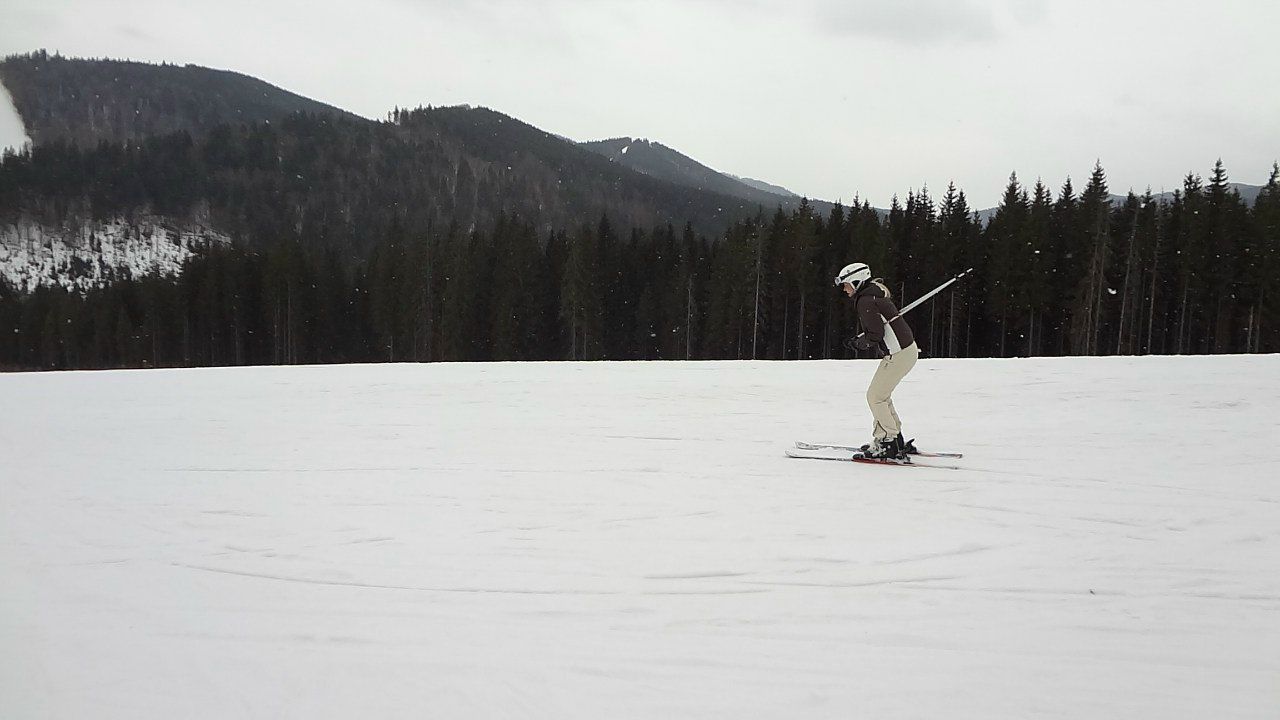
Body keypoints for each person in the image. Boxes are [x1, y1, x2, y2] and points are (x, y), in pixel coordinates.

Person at [834, 262, 920, 460]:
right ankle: (894, 437)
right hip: (904, 352)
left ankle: (888, 442)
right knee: (881, 395)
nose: (845, 290)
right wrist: (861, 340)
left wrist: (857, 344)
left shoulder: (866, 300)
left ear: (857, 282)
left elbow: (875, 334)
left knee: (875, 396)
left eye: (846, 285)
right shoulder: (874, 295)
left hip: (900, 354)